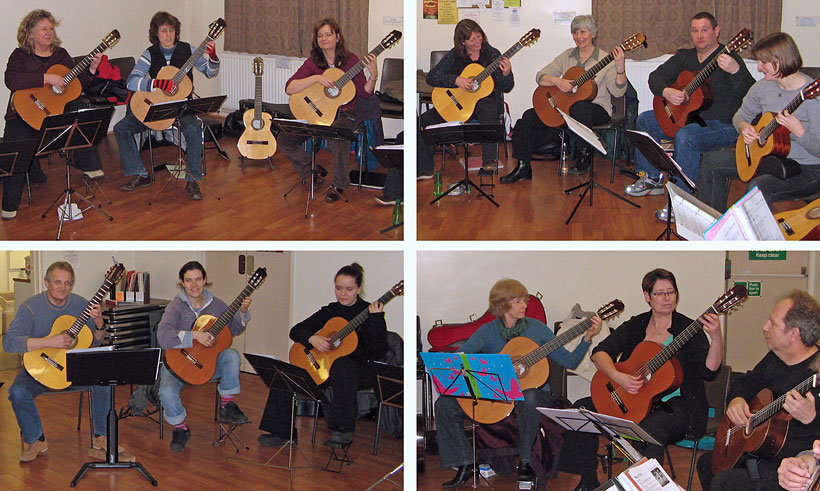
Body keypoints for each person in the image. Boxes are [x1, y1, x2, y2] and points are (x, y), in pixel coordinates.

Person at [559, 268, 722, 491]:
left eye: (671, 292)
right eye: (660, 293)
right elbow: (600, 353)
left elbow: (709, 371)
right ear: (647, 296)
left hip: (679, 407)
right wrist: (620, 378)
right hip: (632, 400)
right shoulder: (638, 325)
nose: (667, 298)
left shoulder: (688, 329)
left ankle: (646, 487)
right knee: (581, 411)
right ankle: (588, 481)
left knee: (648, 430)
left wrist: (716, 337)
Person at [436, 278, 602, 489]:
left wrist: (587, 337)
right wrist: (493, 368)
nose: (525, 305)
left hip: (535, 394)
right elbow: (463, 360)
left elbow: (569, 361)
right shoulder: (488, 331)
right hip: (499, 395)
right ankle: (465, 463)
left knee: (529, 395)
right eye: (518, 301)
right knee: (444, 404)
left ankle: (526, 463)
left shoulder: (537, 329)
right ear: (501, 304)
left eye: (525, 301)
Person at [624, 12, 754, 222]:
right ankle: (649, 179)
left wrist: (736, 70)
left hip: (723, 124)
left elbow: (750, 95)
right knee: (645, 120)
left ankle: (682, 201)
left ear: (716, 32)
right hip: (691, 119)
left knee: (686, 136)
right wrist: (666, 92)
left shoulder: (730, 59)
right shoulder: (685, 57)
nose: (699, 35)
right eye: (695, 31)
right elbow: (655, 77)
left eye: (704, 30)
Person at [3, 261, 133, 462]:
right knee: (17, 392)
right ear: (46, 283)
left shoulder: (82, 305)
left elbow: (96, 341)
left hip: (73, 370)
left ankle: (101, 438)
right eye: (57, 282)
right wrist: (49, 341)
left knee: (104, 380)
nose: (62, 287)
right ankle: (35, 439)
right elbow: (9, 343)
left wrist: (99, 323)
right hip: (40, 370)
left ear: (72, 284)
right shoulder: (30, 307)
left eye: (67, 283)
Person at [697, 290, 820, 491]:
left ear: (794, 333)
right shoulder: (775, 358)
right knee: (707, 464)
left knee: (724, 482)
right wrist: (737, 399)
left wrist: (812, 418)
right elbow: (746, 382)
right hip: (758, 451)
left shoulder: (816, 373)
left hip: (790, 467)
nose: (765, 327)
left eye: (773, 323)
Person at [697, 32, 820, 213]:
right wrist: (744, 128)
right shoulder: (762, 87)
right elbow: (740, 116)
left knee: (759, 187)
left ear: (781, 60)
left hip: (805, 168)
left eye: (764, 62)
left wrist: (799, 131)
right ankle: (714, 224)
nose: (760, 67)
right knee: (710, 162)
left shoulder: (812, 98)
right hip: (767, 158)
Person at [270, 262, 388, 448]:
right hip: (325, 366)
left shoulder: (369, 312)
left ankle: (342, 431)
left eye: (349, 289)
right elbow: (296, 330)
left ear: (359, 288)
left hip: (357, 370)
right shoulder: (331, 310)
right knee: (285, 372)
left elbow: (379, 351)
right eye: (338, 288)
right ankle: (280, 431)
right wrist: (312, 339)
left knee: (343, 365)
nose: (342, 293)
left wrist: (376, 319)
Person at [2, 9, 106, 219]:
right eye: (43, 29)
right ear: (30, 34)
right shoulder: (20, 55)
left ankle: (88, 164)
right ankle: (9, 204)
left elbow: (75, 87)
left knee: (78, 109)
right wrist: (46, 78)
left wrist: (91, 70)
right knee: (17, 144)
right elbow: (11, 80)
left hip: (52, 118)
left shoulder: (61, 55)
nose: (49, 32)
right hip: (23, 116)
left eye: (50, 28)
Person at [502, 15, 627, 182]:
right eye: (575, 32)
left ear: (593, 34)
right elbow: (540, 76)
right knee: (528, 117)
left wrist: (620, 68)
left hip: (597, 108)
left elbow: (618, 92)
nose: (579, 36)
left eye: (583, 31)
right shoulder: (567, 55)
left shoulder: (606, 59)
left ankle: (585, 155)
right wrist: (558, 82)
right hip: (566, 108)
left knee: (579, 108)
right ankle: (523, 166)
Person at [114, 11, 220, 201]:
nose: (168, 35)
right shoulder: (150, 54)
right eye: (164, 31)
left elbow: (211, 72)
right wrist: (157, 84)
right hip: (156, 107)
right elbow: (131, 81)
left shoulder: (190, 50)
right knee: (121, 128)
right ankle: (139, 173)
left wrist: (212, 56)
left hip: (181, 107)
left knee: (194, 130)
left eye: (171, 30)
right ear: (156, 33)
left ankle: (193, 179)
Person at [156, 261, 251, 452]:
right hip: (178, 365)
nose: (194, 285)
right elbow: (163, 336)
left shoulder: (217, 305)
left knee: (231, 355)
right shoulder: (176, 307)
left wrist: (243, 312)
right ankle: (181, 428)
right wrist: (194, 336)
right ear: (182, 282)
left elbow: (234, 328)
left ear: (205, 280)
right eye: (189, 280)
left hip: (206, 365)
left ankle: (227, 405)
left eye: (198, 279)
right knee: (165, 392)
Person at [280, 18, 379, 203]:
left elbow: (364, 94)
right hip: (317, 114)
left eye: (328, 34)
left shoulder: (352, 61)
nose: (324, 38)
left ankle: (339, 184)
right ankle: (313, 172)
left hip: (346, 113)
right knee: (285, 139)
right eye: (320, 35)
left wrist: (373, 75)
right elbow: (289, 88)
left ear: (337, 37)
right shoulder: (313, 62)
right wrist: (316, 78)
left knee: (337, 137)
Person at [418, 19, 513, 179]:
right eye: (472, 39)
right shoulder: (454, 55)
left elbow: (507, 87)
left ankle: (489, 161)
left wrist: (506, 73)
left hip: (485, 103)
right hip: (459, 104)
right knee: (424, 121)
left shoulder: (492, 55)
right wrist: (457, 81)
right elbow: (432, 77)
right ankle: (424, 168)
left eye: (479, 36)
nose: (478, 41)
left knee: (488, 108)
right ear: (462, 41)